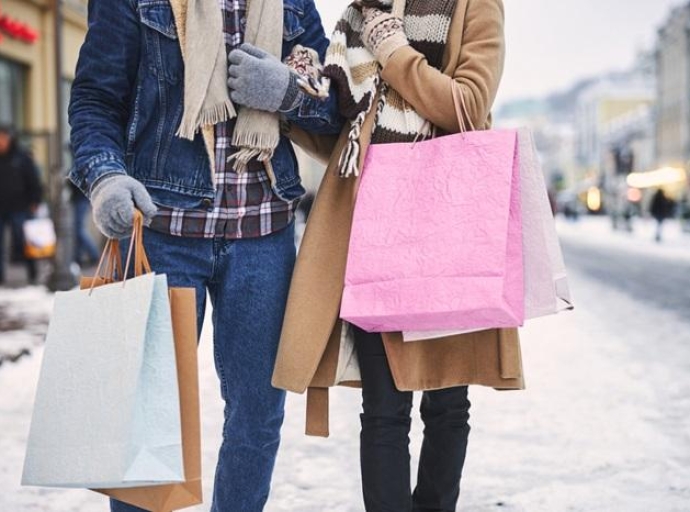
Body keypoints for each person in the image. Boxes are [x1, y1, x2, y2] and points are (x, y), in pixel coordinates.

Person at [68, 0, 342, 510]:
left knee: (257, 415)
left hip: (263, 235)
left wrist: (287, 92)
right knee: (146, 417)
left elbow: (332, 106)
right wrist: (104, 175)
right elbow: (94, 99)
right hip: (161, 233)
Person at [272, 1, 522, 512]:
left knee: (447, 403)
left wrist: (394, 52)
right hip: (374, 229)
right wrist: (300, 103)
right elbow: (350, 139)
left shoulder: (474, 6)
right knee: (383, 410)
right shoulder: (361, 12)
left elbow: (468, 106)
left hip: (446, 228)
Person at [0, 125, 42, 285]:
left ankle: (32, 273)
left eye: (2, 138)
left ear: (9, 139)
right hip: (1, 208)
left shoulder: (22, 157)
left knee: (24, 241)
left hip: (20, 208)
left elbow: (33, 180)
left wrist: (35, 201)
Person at [69, 182, 100, 266]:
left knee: (79, 230)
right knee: (78, 230)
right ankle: (78, 257)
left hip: (81, 199)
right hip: (80, 199)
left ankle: (94, 254)